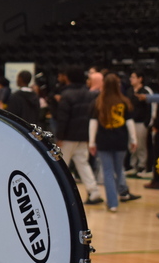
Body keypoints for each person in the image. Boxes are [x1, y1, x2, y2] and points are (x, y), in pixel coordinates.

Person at [89, 73, 137, 212]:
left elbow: (93, 123)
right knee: (119, 170)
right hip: (120, 141)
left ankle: (112, 202)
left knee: (108, 172)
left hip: (104, 141)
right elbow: (129, 122)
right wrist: (133, 139)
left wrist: (92, 142)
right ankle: (121, 193)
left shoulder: (99, 102)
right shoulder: (124, 102)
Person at [56, 67, 102, 205]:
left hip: (68, 137)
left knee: (60, 165)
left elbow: (62, 119)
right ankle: (94, 192)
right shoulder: (89, 94)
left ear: (68, 78)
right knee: (83, 164)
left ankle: (58, 194)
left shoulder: (67, 95)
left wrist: (59, 137)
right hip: (83, 136)